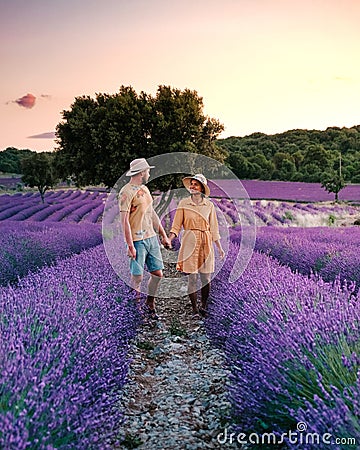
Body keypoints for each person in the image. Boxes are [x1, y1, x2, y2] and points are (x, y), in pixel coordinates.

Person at [119, 158, 171, 319]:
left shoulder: (145, 189)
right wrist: (130, 245)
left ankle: (150, 302)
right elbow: (124, 221)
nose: (149, 173)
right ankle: (136, 310)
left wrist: (163, 234)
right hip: (137, 240)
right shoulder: (126, 192)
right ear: (141, 172)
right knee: (137, 277)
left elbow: (152, 213)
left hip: (151, 237)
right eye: (148, 171)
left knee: (158, 274)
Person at [168, 174, 225, 318]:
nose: (192, 186)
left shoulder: (209, 205)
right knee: (192, 277)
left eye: (196, 184)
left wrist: (219, 247)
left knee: (206, 278)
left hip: (206, 241)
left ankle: (204, 306)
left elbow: (214, 228)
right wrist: (169, 239)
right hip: (189, 241)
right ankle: (194, 308)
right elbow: (176, 226)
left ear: (202, 189)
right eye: (191, 184)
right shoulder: (184, 203)